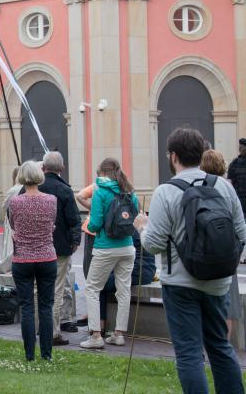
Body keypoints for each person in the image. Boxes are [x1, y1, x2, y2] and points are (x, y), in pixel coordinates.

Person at [136, 129, 246, 393]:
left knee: (189, 353)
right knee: (220, 346)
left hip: (180, 284)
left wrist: (142, 226)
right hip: (218, 281)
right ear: (201, 153)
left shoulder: (165, 192)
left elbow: (153, 244)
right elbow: (241, 232)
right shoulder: (223, 186)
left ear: (173, 156)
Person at [80, 158, 138, 350]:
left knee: (92, 288)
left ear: (101, 172)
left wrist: (95, 224)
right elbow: (135, 215)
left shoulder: (100, 191)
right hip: (128, 246)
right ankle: (119, 334)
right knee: (124, 290)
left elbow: (95, 223)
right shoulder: (128, 190)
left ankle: (96, 335)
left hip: (105, 247)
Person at [29, 152, 81, 344]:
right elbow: (74, 219)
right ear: (62, 168)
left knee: (37, 289)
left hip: (34, 245)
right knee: (56, 290)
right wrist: (75, 242)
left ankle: (37, 328)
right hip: (59, 247)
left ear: (43, 168)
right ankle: (52, 332)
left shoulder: (32, 187)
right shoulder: (64, 190)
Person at [7, 161, 58, 361]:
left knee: (26, 306)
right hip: (47, 256)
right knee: (46, 307)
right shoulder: (51, 200)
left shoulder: (15, 202)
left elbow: (13, 225)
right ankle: (47, 354)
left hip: (23, 258)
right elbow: (52, 223)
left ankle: (30, 354)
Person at [201, 149, 242, 339]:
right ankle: (224, 342)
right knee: (229, 301)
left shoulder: (198, 186)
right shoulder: (228, 188)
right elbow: (239, 226)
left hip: (204, 252)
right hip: (227, 251)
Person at [74, 181, 97, 326]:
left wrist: (94, 208)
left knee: (90, 272)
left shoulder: (97, 186)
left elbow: (81, 196)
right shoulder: (123, 186)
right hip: (114, 237)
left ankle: (92, 315)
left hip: (93, 232)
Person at [227, 138, 246, 217]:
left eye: (241, 147)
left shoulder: (234, 163)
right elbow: (230, 182)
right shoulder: (234, 163)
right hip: (239, 201)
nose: (240, 149)